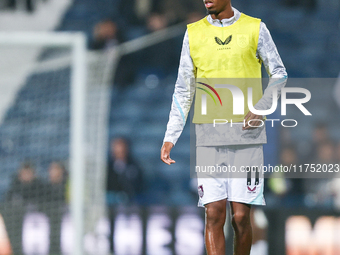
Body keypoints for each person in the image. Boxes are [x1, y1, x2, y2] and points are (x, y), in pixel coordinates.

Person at [160, 0, 287, 254]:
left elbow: (279, 74)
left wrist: (261, 108)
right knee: (213, 214)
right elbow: (184, 89)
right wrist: (170, 135)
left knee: (240, 217)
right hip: (208, 139)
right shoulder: (193, 33)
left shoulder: (255, 28)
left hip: (247, 138)